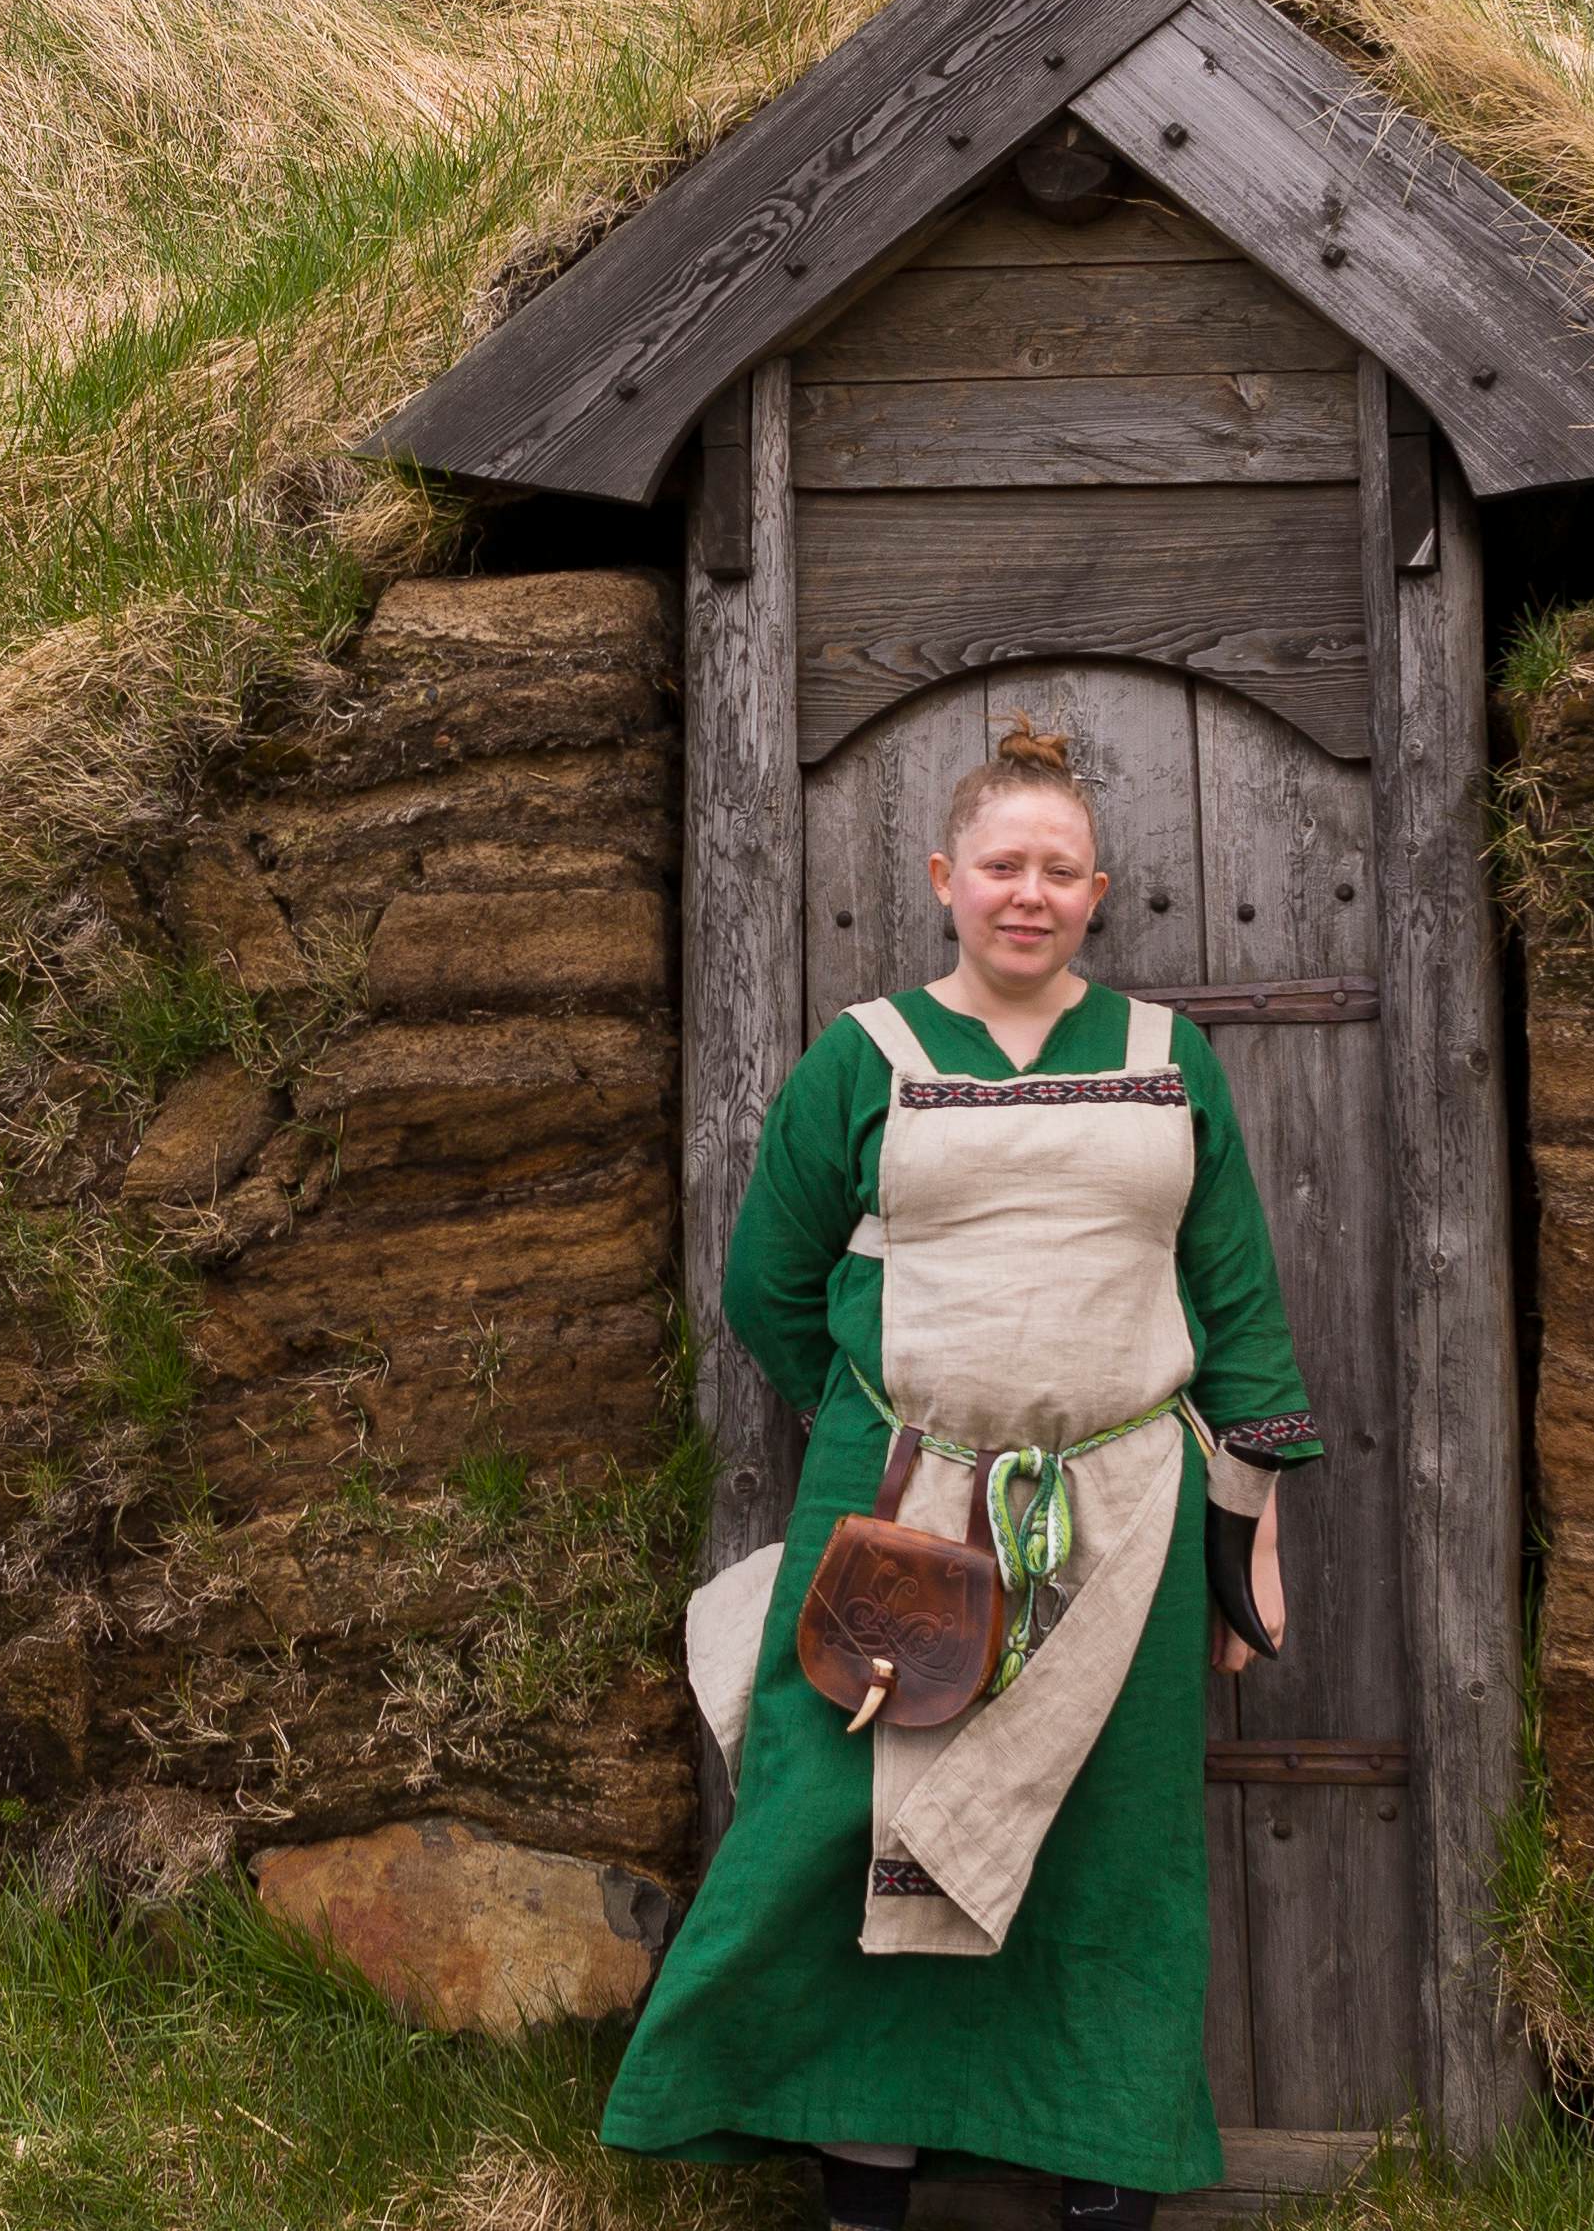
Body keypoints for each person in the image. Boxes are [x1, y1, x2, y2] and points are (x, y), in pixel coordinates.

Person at [603, 716, 1321, 2226]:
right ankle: (863, 2159)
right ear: (945, 878)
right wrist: (889, 1435)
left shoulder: (1160, 1056)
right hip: (901, 1512)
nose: (1028, 893)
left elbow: (1235, 1297)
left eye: (1059, 871)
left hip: (1123, 1510)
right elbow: (766, 1286)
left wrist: (1245, 1533)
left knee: (1102, 1835)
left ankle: (1098, 2159)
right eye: (1002, 864)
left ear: (1097, 892)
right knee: (864, 1816)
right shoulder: (863, 1056)